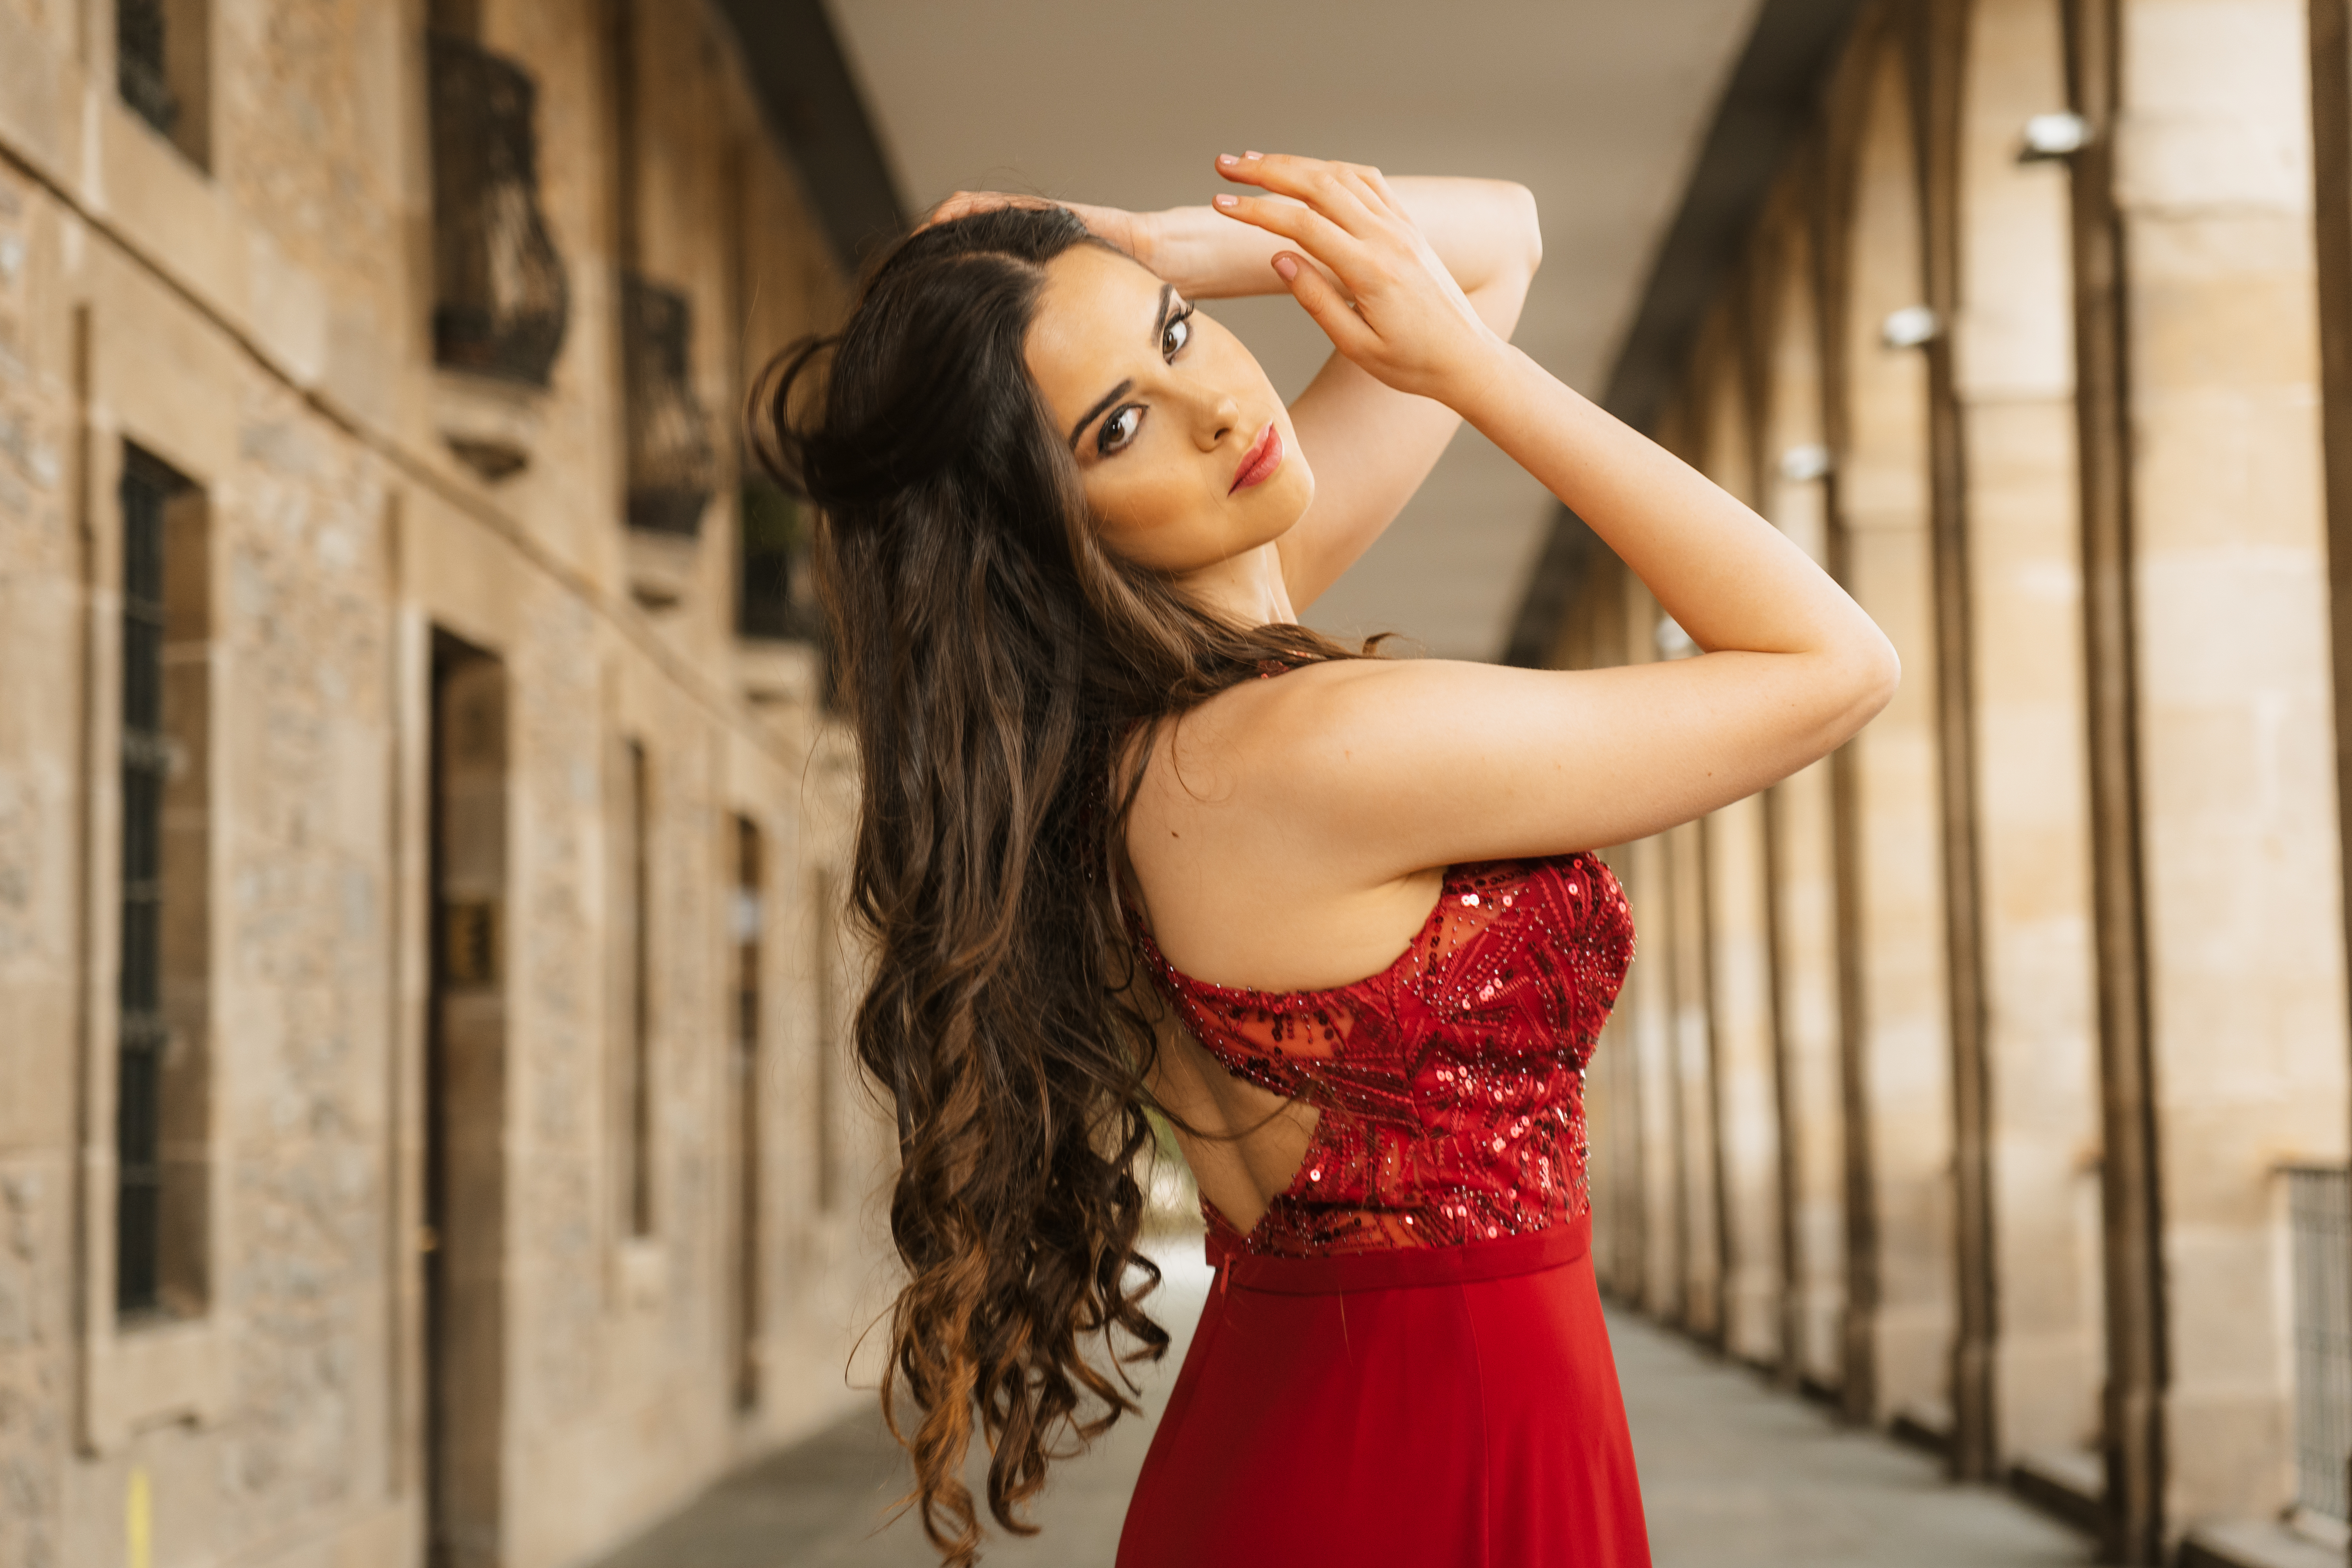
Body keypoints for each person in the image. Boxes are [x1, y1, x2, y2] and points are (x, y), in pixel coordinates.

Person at [754, 151, 1896, 1568]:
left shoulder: (1165, 720)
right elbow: (1835, 665)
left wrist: (1124, 240)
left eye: (1180, 330)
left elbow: (1502, 237)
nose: (1224, 405)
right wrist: (1473, 377)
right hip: (1426, 1461)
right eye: (1119, 428)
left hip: (1350, 1427)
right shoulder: (1303, 751)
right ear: (1051, 537)